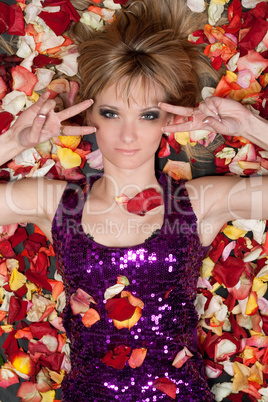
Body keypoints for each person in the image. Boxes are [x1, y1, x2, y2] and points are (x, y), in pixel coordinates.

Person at [0, 0, 267, 400]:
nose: (128, 135)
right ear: (89, 115)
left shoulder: (199, 201)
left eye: (146, 115)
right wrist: (10, 142)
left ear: (168, 118)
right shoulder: (52, 204)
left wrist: (250, 125)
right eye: (111, 113)